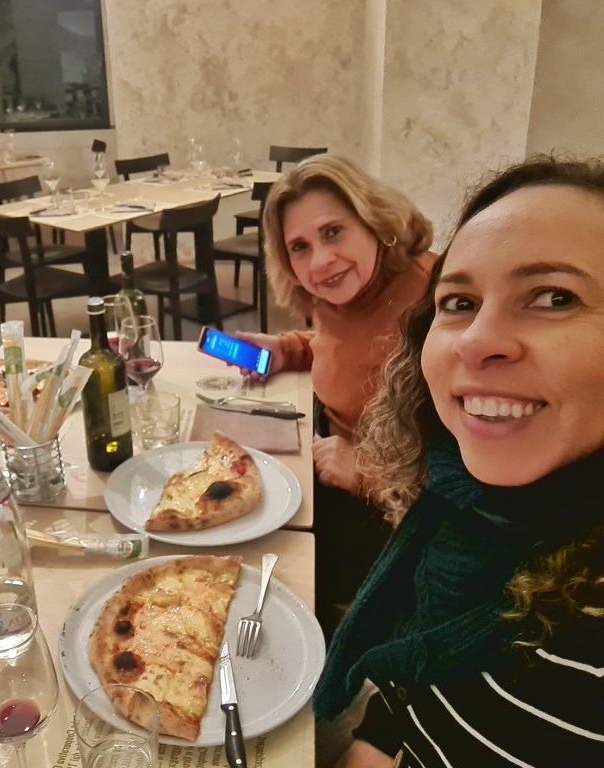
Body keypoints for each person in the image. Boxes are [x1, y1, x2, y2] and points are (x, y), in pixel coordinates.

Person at [315, 156, 604, 767]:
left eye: (555, 297)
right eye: (460, 301)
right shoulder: (463, 504)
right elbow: (410, 687)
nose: (475, 341)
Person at [236, 154, 437, 637]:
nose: (320, 261)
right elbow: (345, 348)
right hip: (326, 444)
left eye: (333, 232)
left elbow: (470, 460)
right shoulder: (343, 291)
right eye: (299, 247)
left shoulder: (434, 300)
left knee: (272, 566)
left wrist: (366, 470)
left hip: (392, 503)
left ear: (374, 222)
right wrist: (287, 349)